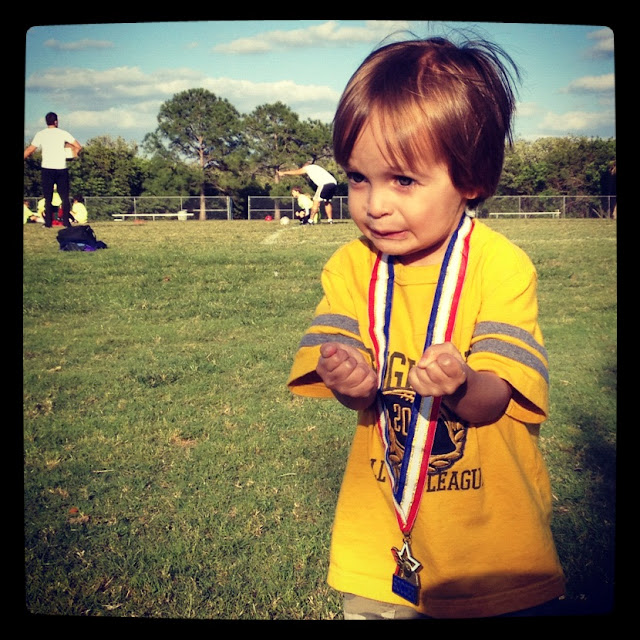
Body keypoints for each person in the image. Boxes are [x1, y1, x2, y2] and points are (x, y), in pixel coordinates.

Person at [287, 36, 565, 620]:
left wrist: (462, 383)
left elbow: (494, 401)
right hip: (379, 539)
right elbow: (354, 395)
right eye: (358, 178)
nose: (374, 204)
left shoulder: (500, 266)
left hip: (490, 544)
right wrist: (350, 381)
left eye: (403, 180)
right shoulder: (351, 265)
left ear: (471, 179)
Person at [24, 112, 82, 228]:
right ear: (56, 121)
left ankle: (48, 223)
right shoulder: (63, 133)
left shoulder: (41, 134)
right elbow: (78, 146)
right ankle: (66, 222)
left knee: (48, 197)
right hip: (61, 168)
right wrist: (72, 154)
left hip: (47, 168)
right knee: (64, 197)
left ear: (46, 122)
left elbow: (30, 150)